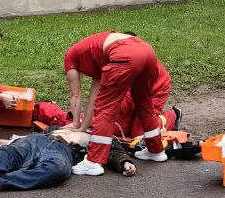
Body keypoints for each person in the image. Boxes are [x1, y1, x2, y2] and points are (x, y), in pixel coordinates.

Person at [63, 32, 169, 176]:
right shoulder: (94, 54)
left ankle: (93, 162)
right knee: (144, 103)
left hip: (125, 54)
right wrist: (82, 126)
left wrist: (75, 125)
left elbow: (75, 95)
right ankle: (156, 150)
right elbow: (93, 99)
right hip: (146, 51)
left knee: (106, 107)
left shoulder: (70, 56)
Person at [0, 127, 135, 198]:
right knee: (7, 153)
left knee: (59, 170)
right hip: (37, 139)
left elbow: (114, 151)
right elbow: (25, 137)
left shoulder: (103, 134)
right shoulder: (67, 122)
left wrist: (124, 162)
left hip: (62, 150)